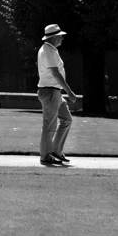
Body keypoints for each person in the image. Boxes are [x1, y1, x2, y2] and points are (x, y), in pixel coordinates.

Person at [37, 23, 78, 166]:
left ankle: (56, 151)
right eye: (60, 36)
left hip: (53, 91)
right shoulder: (48, 51)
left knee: (66, 119)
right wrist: (69, 91)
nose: (62, 38)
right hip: (50, 92)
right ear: (53, 37)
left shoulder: (51, 50)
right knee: (49, 125)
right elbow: (55, 73)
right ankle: (45, 156)